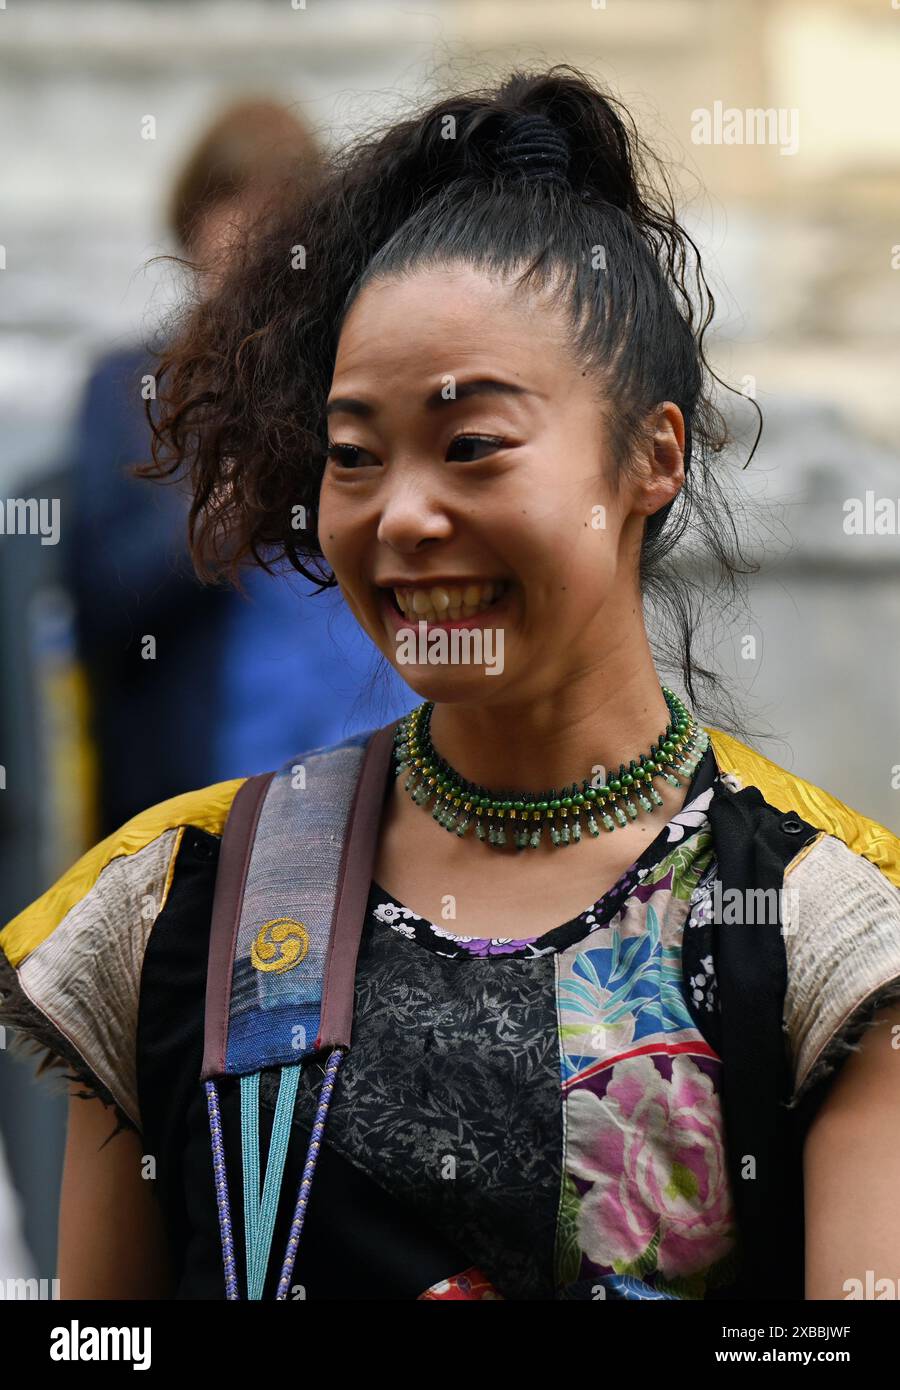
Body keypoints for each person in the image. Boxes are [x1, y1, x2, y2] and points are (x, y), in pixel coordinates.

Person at [2, 65, 899, 1302]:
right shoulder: (175, 915)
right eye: (355, 455)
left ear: (653, 456)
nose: (403, 516)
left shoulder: (828, 938)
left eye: (472, 444)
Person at [66, 97, 414, 837]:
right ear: (192, 223)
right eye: (233, 207)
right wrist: (219, 513)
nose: (253, 239)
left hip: (365, 778)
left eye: (280, 214)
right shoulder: (129, 389)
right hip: (200, 792)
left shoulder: (349, 377)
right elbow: (99, 596)